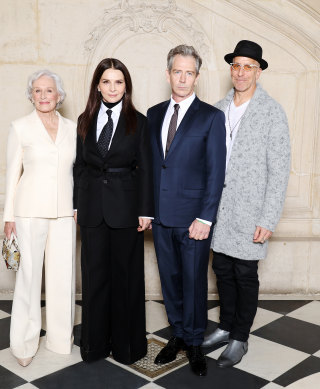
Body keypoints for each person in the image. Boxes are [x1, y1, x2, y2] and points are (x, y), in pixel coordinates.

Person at [202, 40, 291, 368]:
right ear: (231, 69)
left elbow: (279, 170)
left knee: (244, 272)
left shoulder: (272, 112)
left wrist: (268, 217)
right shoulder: (217, 108)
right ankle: (225, 327)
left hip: (251, 209)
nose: (241, 72)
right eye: (236, 65)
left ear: (259, 71)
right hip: (220, 209)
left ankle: (240, 336)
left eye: (248, 66)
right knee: (221, 269)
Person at [147, 44, 226, 377]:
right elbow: (151, 167)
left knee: (194, 282)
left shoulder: (210, 117)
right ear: (168, 74)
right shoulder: (152, 114)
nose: (182, 78)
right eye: (176, 71)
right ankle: (177, 334)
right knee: (170, 281)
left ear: (197, 76)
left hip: (195, 220)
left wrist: (206, 217)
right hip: (162, 217)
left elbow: (215, 172)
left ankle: (194, 342)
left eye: (189, 72)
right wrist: (148, 211)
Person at [73, 58, 153, 365]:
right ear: (97, 85)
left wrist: (146, 211)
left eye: (118, 82)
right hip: (92, 208)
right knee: (94, 280)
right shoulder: (84, 119)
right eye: (106, 82)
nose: (112, 88)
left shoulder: (139, 122)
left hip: (127, 210)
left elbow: (145, 169)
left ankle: (127, 348)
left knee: (127, 280)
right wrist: (77, 203)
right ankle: (93, 346)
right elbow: (79, 166)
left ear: (126, 86)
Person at [3, 69, 77, 367]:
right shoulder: (20, 127)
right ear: (31, 94)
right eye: (38, 90)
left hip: (64, 213)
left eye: (49, 91)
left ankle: (61, 340)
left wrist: (78, 207)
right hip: (28, 212)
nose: (44, 96)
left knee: (63, 278)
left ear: (59, 95)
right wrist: (8, 218)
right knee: (29, 279)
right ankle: (23, 343)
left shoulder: (73, 128)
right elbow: (11, 175)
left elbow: (78, 172)